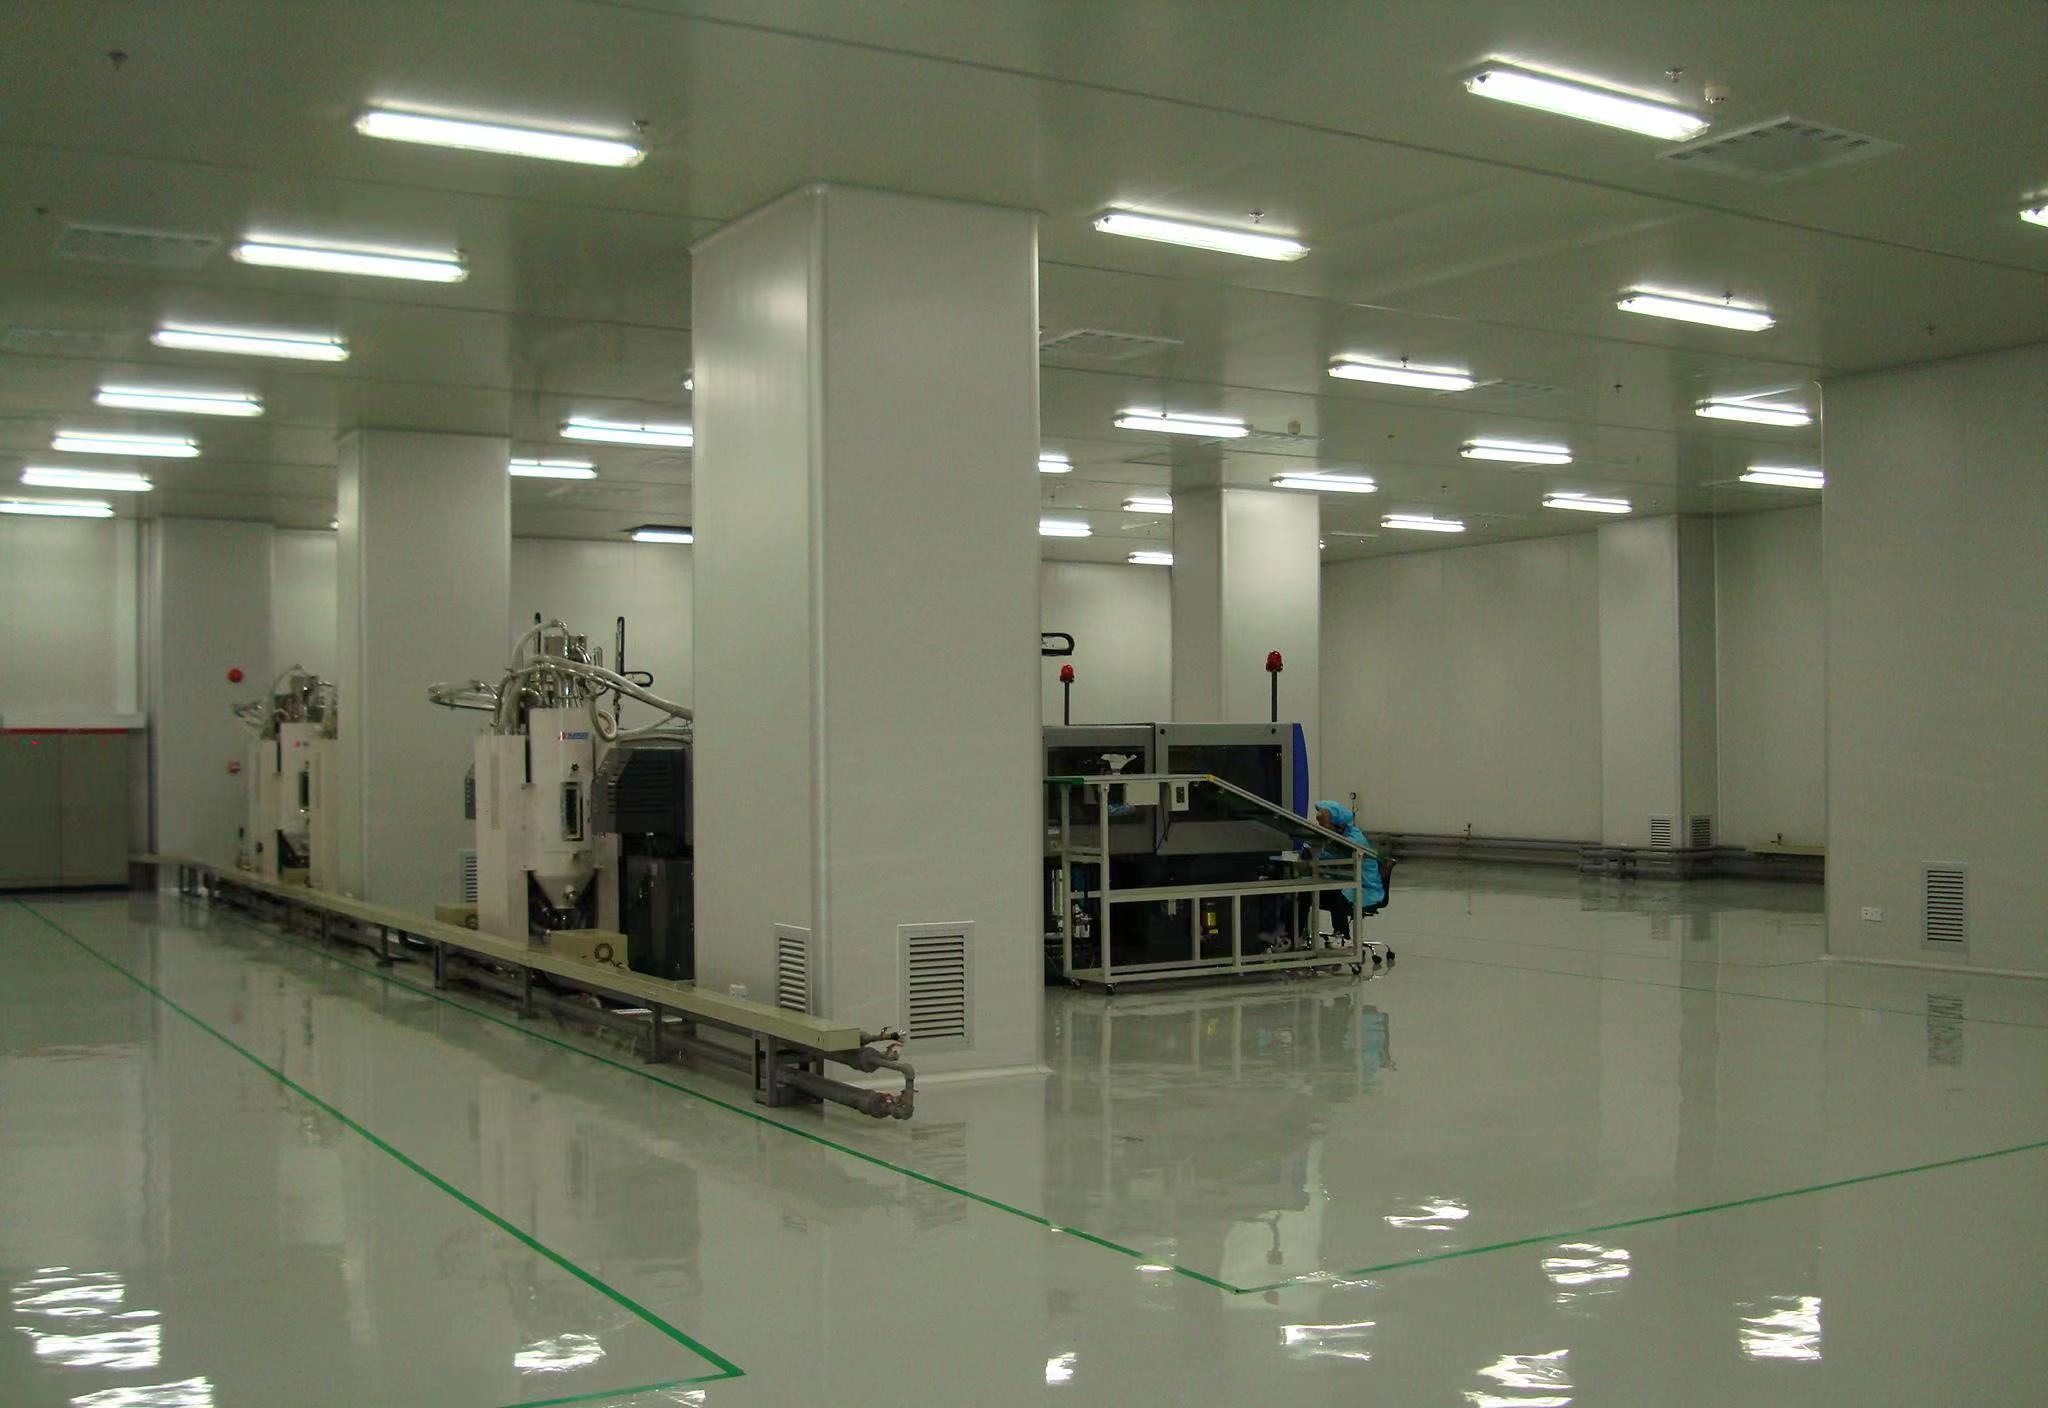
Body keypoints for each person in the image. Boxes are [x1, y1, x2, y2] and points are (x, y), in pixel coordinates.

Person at [1307, 800, 1385, 940]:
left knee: (1337, 896)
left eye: (1325, 825)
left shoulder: (1356, 837)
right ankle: (1293, 936)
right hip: (1342, 883)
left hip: (1365, 888)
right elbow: (1326, 855)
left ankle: (1342, 935)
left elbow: (1344, 846)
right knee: (1304, 894)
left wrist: (1327, 830)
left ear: (1337, 823)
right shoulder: (1334, 837)